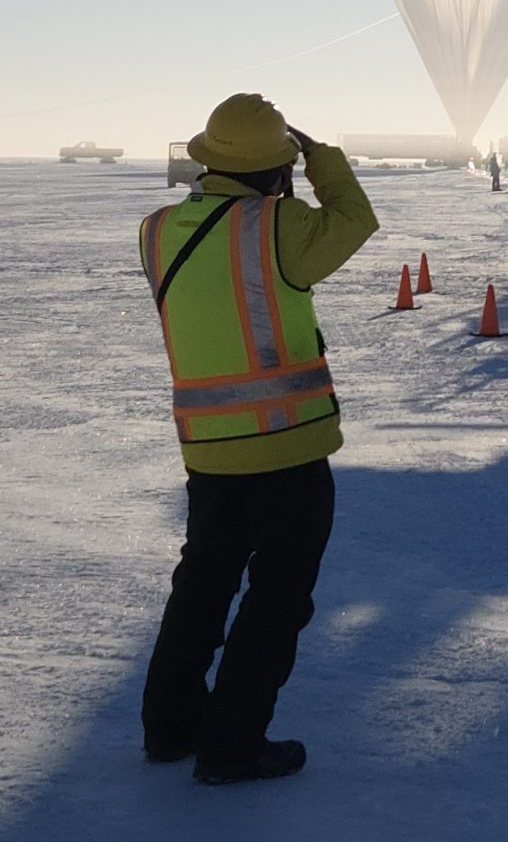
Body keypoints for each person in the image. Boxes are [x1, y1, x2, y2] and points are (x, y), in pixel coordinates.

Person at [138, 93, 379, 784]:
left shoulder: (156, 230)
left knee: (203, 585)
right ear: (279, 168)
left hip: (208, 450)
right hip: (288, 451)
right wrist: (322, 157)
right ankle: (233, 745)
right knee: (277, 598)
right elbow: (357, 220)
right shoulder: (280, 227)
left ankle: (171, 726)